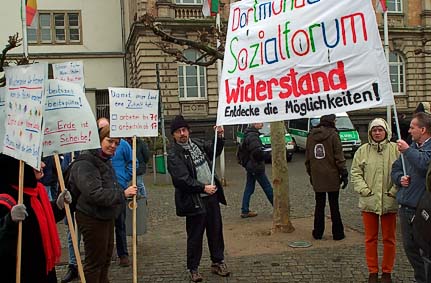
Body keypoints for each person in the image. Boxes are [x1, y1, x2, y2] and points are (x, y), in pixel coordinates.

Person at [68, 125, 137, 282]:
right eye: (110, 141)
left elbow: (109, 184)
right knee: (95, 262)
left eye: (116, 143)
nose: (113, 146)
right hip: (91, 217)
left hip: (106, 216)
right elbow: (94, 194)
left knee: (105, 258)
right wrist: (123, 194)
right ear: (99, 140)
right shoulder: (86, 162)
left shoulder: (105, 159)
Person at [167, 115, 230, 282]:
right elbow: (182, 180)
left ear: (188, 130)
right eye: (178, 131)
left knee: (215, 231)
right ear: (173, 135)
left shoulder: (196, 143)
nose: (182, 133)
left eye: (184, 130)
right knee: (195, 236)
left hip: (211, 197)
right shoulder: (174, 155)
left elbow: (213, 150)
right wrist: (203, 187)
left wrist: (219, 136)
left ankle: (218, 262)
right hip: (195, 201)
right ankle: (193, 268)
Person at [0, 154, 71, 283]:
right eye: (36, 162)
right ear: (20, 167)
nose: (43, 165)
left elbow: (41, 220)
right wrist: (9, 221)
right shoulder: (5, 198)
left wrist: (58, 206)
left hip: (44, 267)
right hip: (23, 272)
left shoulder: (37, 191)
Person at [351, 118, 399, 283]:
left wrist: (393, 191)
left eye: (380, 130)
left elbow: (403, 174)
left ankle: (387, 271)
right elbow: (356, 173)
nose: (377, 133)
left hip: (389, 201)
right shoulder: (362, 151)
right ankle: (372, 271)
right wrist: (365, 191)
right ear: (370, 133)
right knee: (370, 238)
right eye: (374, 130)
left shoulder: (396, 150)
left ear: (386, 131)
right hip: (369, 201)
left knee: (389, 239)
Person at [391, 112, 431, 283]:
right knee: (410, 248)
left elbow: (423, 165)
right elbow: (395, 169)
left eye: (412, 127)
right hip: (405, 207)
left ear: (423, 130)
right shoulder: (411, 148)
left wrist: (407, 151)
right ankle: (420, 278)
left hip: (422, 210)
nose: (409, 130)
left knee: (426, 251)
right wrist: (399, 178)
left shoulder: (423, 149)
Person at [97, 117, 134, 267]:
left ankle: (123, 253)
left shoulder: (123, 145)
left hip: (120, 188)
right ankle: (105, 253)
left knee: (120, 223)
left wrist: (125, 177)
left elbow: (134, 162)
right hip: (102, 191)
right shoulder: (95, 150)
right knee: (104, 226)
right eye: (102, 130)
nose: (113, 145)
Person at [305, 114, 347, 241]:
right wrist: (344, 172)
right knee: (334, 205)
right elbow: (339, 156)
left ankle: (318, 232)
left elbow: (308, 158)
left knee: (319, 205)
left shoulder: (311, 135)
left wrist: (311, 174)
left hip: (317, 175)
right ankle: (338, 233)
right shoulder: (334, 135)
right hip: (332, 175)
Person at [240, 122, 274, 218]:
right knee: (267, 188)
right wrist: (268, 154)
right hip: (255, 165)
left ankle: (245, 210)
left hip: (250, 165)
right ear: (254, 124)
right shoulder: (253, 136)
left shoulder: (248, 134)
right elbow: (257, 153)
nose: (262, 124)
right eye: (260, 122)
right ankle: (278, 208)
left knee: (249, 187)